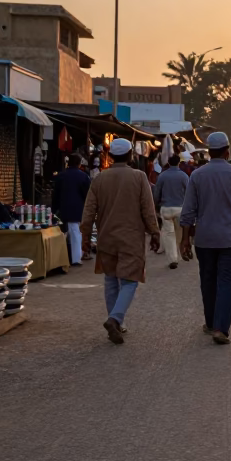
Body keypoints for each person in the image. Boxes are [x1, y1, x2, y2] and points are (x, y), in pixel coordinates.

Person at [179, 132, 231, 345]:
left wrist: (185, 239)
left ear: (208, 152)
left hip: (205, 239)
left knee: (208, 280)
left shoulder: (197, 175)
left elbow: (188, 211)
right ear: (227, 151)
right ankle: (220, 328)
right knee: (227, 282)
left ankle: (210, 322)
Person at [79, 139, 161, 345]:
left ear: (112, 156)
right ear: (130, 154)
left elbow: (88, 212)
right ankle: (115, 319)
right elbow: (148, 210)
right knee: (130, 281)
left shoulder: (99, 179)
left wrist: (85, 238)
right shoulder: (139, 177)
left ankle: (116, 321)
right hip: (131, 238)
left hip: (107, 238)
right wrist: (154, 233)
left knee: (110, 280)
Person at [152, 151, 191, 269]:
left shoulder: (162, 176)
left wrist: (156, 206)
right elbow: (189, 193)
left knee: (168, 234)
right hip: (180, 208)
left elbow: (157, 193)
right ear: (179, 162)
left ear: (168, 163)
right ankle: (179, 253)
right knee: (179, 233)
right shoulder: (184, 176)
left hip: (166, 209)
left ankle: (173, 259)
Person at [52, 156, 92, 265]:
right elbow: (88, 195)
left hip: (63, 208)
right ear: (79, 164)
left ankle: (66, 256)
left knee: (67, 232)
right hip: (78, 208)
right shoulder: (84, 176)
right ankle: (75, 258)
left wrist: (53, 209)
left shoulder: (61, 176)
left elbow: (55, 194)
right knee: (75, 232)